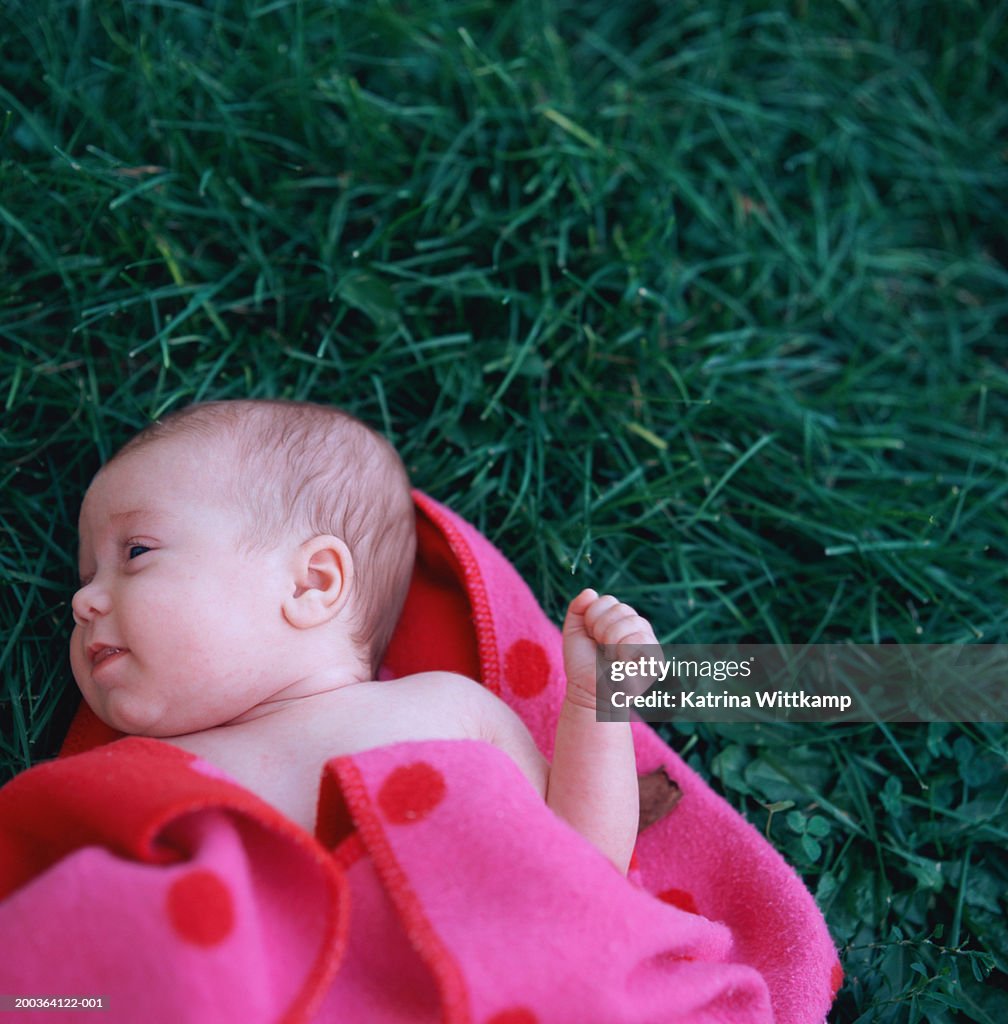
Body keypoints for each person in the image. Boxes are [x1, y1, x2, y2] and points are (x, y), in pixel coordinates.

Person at [70, 399, 655, 873]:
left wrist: (595, 699)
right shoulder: (122, 774)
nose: (82, 601)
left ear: (311, 584)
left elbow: (586, 870)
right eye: (88, 575)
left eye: (137, 553)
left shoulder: (446, 710)